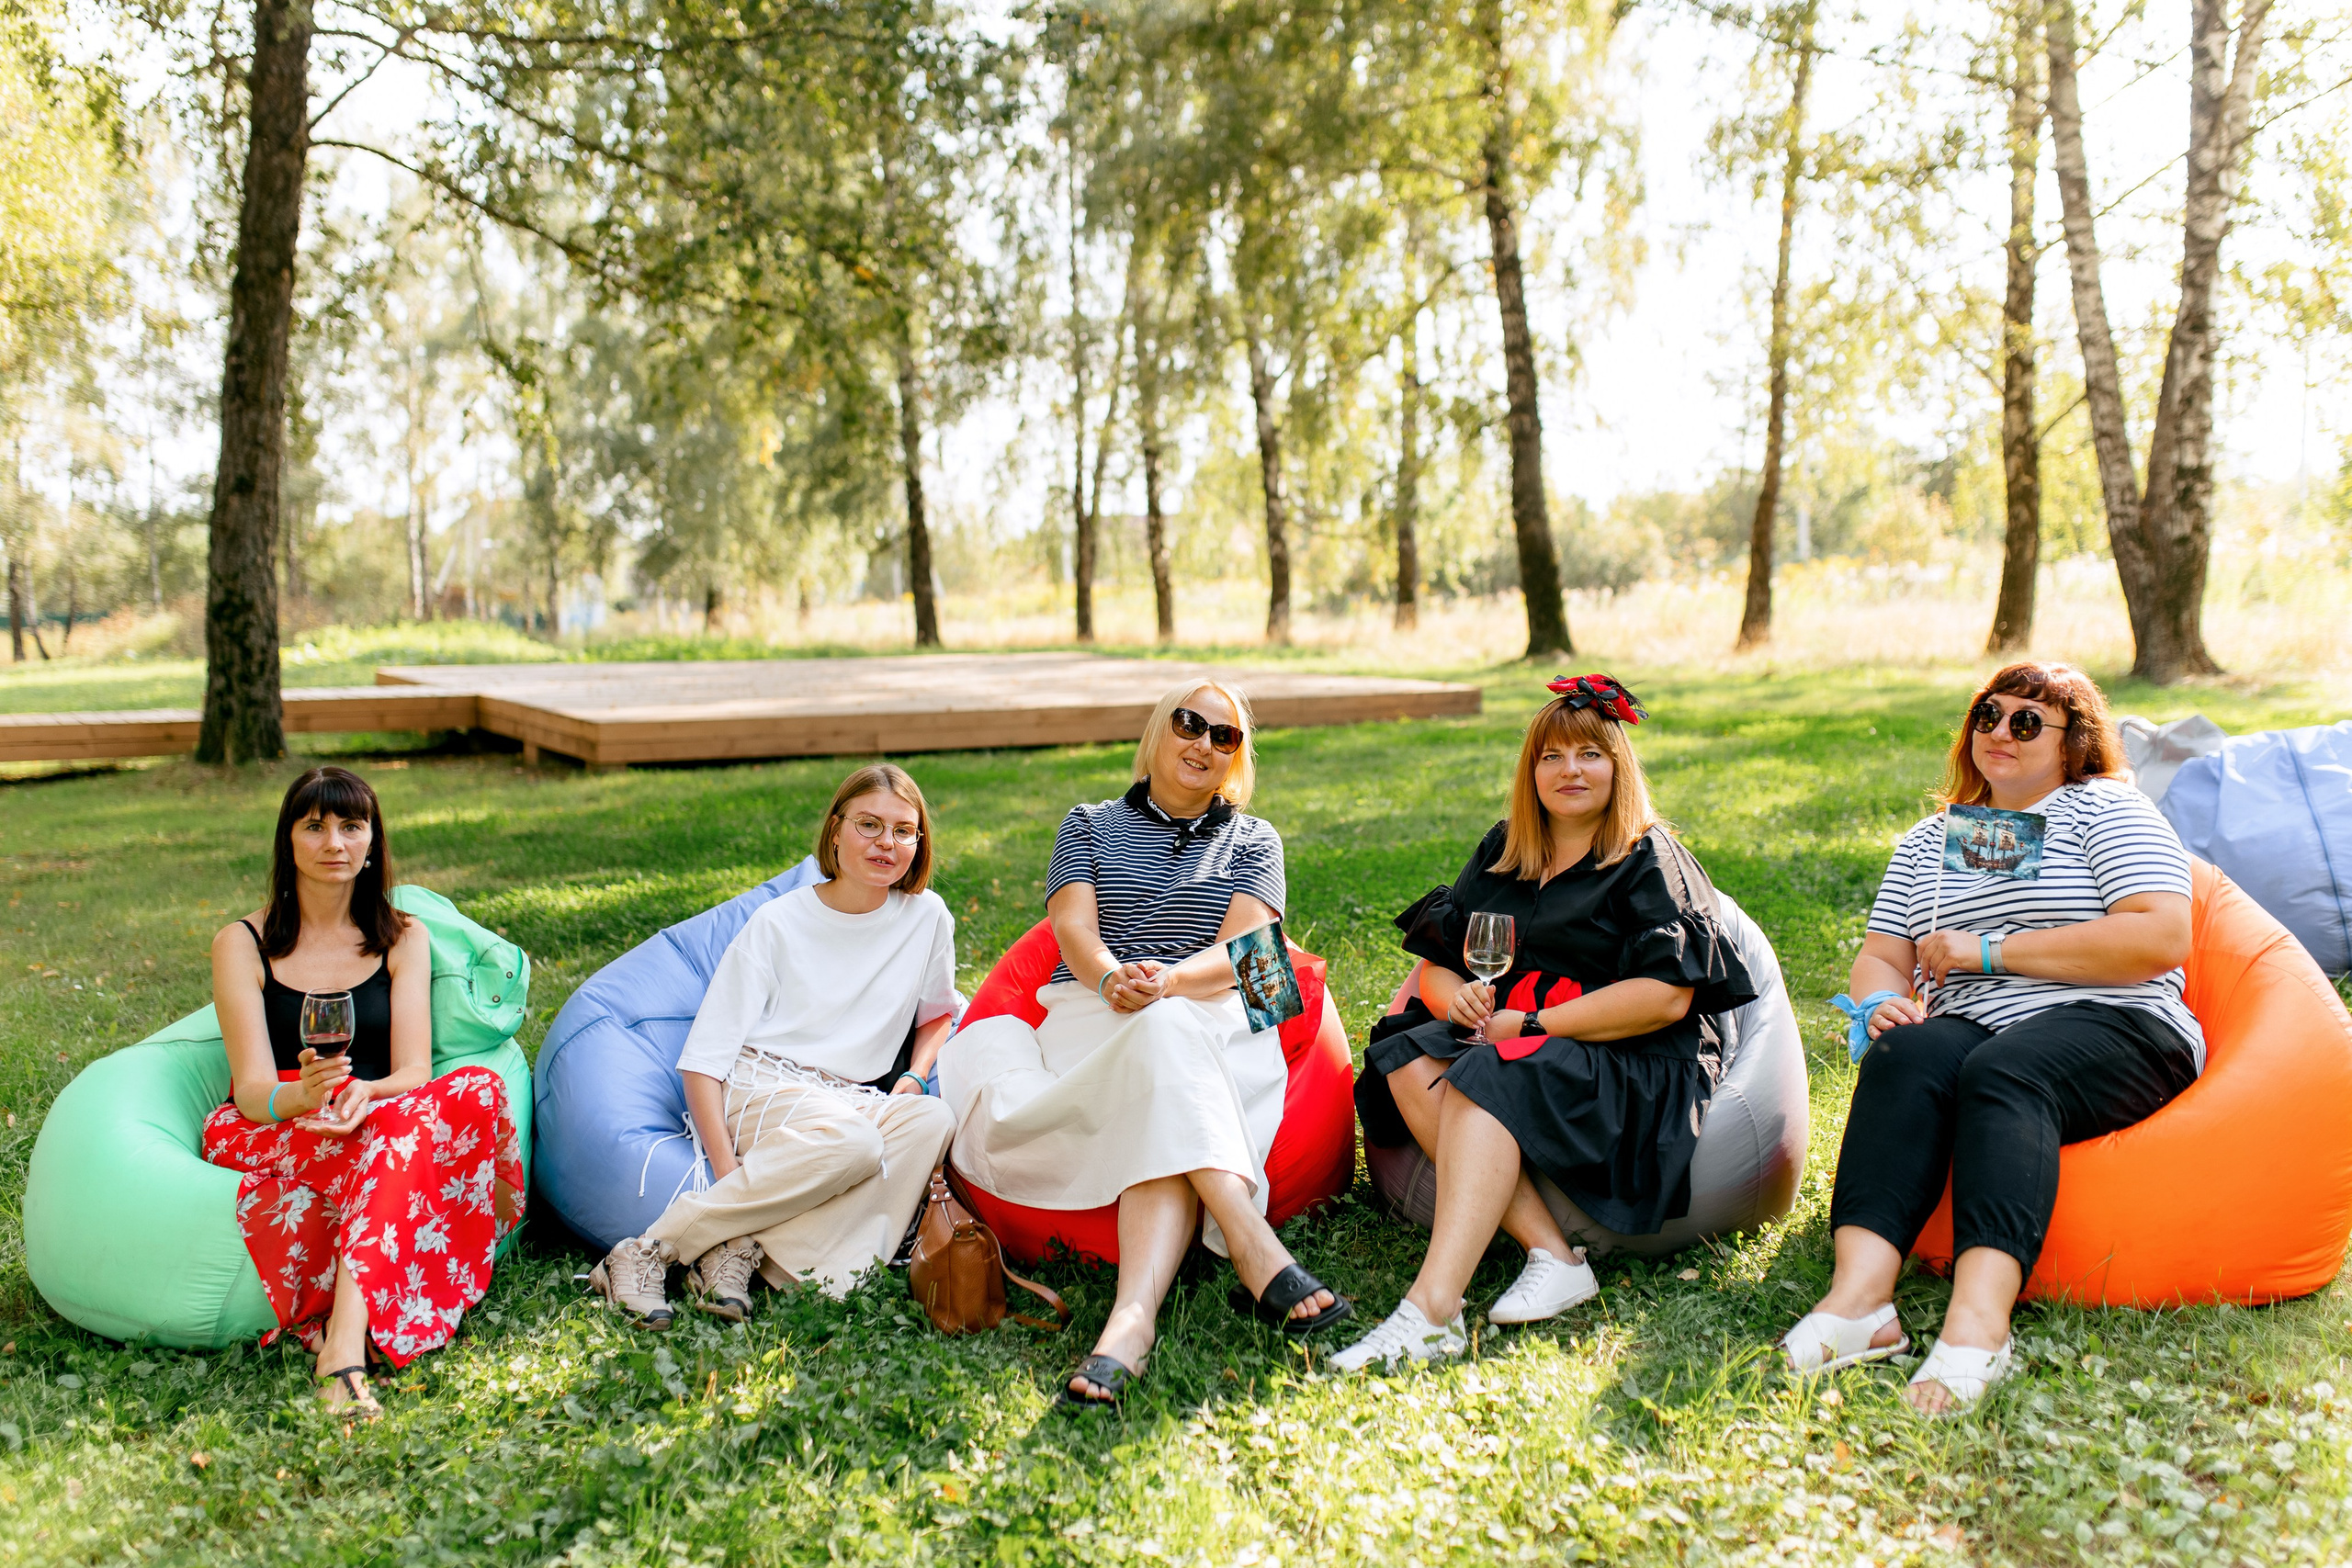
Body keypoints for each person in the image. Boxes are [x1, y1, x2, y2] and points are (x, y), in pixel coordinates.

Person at [1781, 662, 2201, 1414]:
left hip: (2119, 1022)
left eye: (2027, 721)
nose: (2000, 731)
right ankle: (1860, 1304)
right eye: (1988, 714)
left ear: (2075, 743)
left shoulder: (2105, 808)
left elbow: (2161, 933)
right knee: (1907, 1051)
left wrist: (1990, 950)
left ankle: (1979, 1328)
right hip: (1976, 1022)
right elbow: (1884, 953)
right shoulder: (1932, 838)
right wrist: (1879, 1000)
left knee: (2005, 1071)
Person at [937, 680, 1350, 1408]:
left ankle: (1131, 1321)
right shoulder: (1090, 822)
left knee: (1167, 1032)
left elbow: (1252, 956)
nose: (1204, 744)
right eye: (1191, 724)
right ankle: (1249, 1239)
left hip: (1209, 1010)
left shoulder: (1254, 838)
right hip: (1096, 1014)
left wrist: (1168, 982)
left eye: (1225, 737)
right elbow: (1072, 932)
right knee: (1156, 1037)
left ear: (1235, 759)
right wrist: (1108, 982)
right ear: (1159, 730)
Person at [1336, 675, 1756, 1373]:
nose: (1570, 770)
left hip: (1633, 1056)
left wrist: (1532, 1022)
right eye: (1552, 756)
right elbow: (1439, 964)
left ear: (1618, 766)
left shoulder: (1649, 858)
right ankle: (1554, 1253)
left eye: (1589, 754)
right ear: (1531, 771)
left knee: (1482, 1072)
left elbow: (1666, 999)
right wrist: (1457, 1002)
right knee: (1407, 1054)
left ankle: (1431, 1309)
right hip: (1519, 1037)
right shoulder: (1507, 852)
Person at [203, 767, 525, 1419]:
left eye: (352, 825)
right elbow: (251, 1090)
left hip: (380, 1109)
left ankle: (342, 1336)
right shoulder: (242, 943)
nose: (335, 842)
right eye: (314, 825)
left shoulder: (404, 935)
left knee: (477, 1089)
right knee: (400, 1134)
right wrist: (306, 1097)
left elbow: (413, 1071)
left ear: (373, 840)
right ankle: (345, 1351)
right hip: (278, 1120)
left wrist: (361, 1095)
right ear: (287, 841)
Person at [589, 763, 959, 1328]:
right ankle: (647, 1251)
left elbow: (937, 1015)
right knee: (856, 1143)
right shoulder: (778, 922)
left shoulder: (927, 917)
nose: (887, 843)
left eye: (904, 831)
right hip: (758, 1080)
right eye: (869, 824)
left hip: (846, 1095)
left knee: (931, 1118)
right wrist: (726, 1169)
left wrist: (914, 1075)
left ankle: (753, 1256)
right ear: (835, 832)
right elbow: (703, 1062)